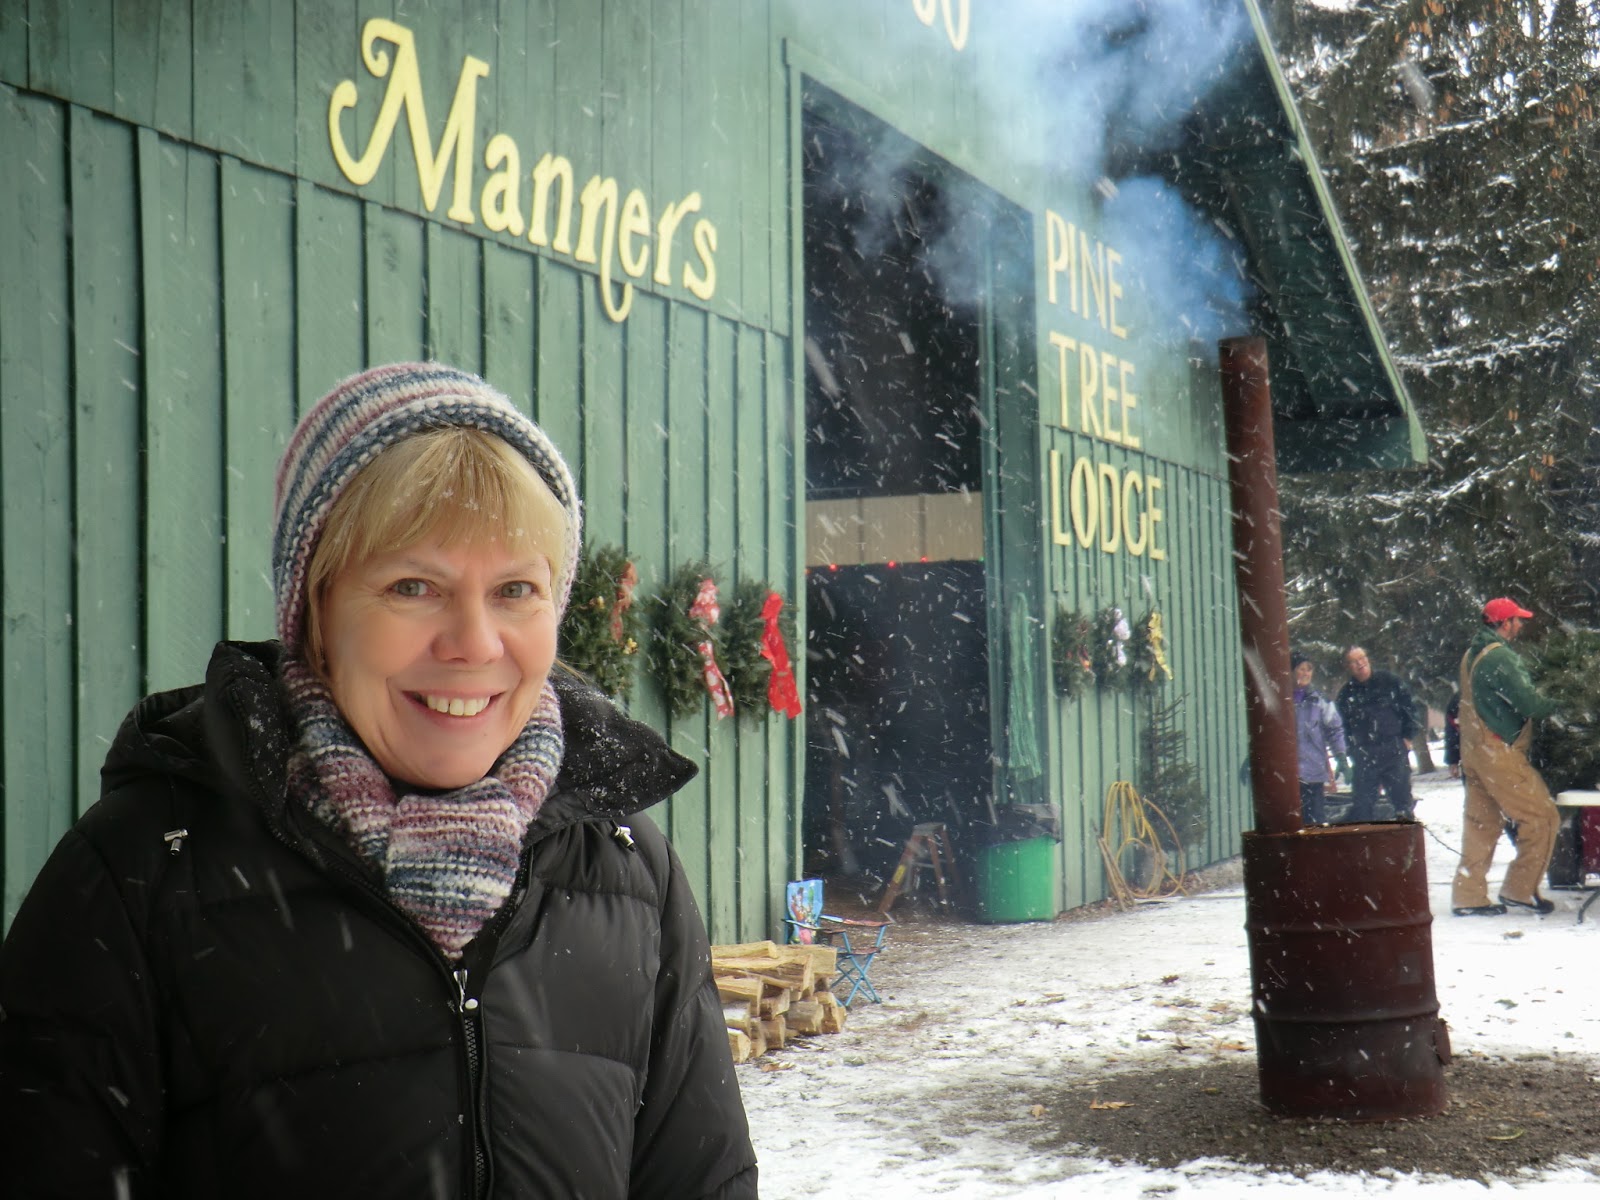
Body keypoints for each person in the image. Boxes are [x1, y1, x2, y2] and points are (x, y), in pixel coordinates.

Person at [0, 363, 759, 1196]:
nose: (474, 642)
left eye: (516, 589)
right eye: (413, 586)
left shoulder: (627, 870)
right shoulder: (141, 876)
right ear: (316, 612)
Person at [1450, 596, 1561, 917]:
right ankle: (1520, 889)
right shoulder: (1501, 657)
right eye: (1517, 619)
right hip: (1498, 752)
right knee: (1542, 816)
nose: (1521, 625)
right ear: (1504, 623)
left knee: (1481, 824)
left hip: (1473, 751)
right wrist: (1562, 702)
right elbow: (1531, 704)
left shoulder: (1471, 654)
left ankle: (1468, 895)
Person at [1334, 646, 1420, 822]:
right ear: (1348, 666)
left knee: (1403, 805)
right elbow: (1342, 728)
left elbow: (1410, 710)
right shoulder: (1346, 694)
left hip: (1393, 750)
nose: (1360, 663)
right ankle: (1367, 838)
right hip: (1364, 755)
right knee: (1363, 807)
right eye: (1354, 661)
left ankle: (1406, 837)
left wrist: (1407, 737)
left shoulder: (1390, 681)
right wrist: (1352, 751)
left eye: (1362, 658)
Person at [1292, 653, 1348, 825]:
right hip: (1288, 774)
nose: (1306, 673)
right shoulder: (1281, 699)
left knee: (1315, 823)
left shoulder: (1320, 701)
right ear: (1291, 671)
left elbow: (1334, 730)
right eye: (1301, 669)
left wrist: (1341, 756)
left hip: (1313, 773)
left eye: (1309, 669)